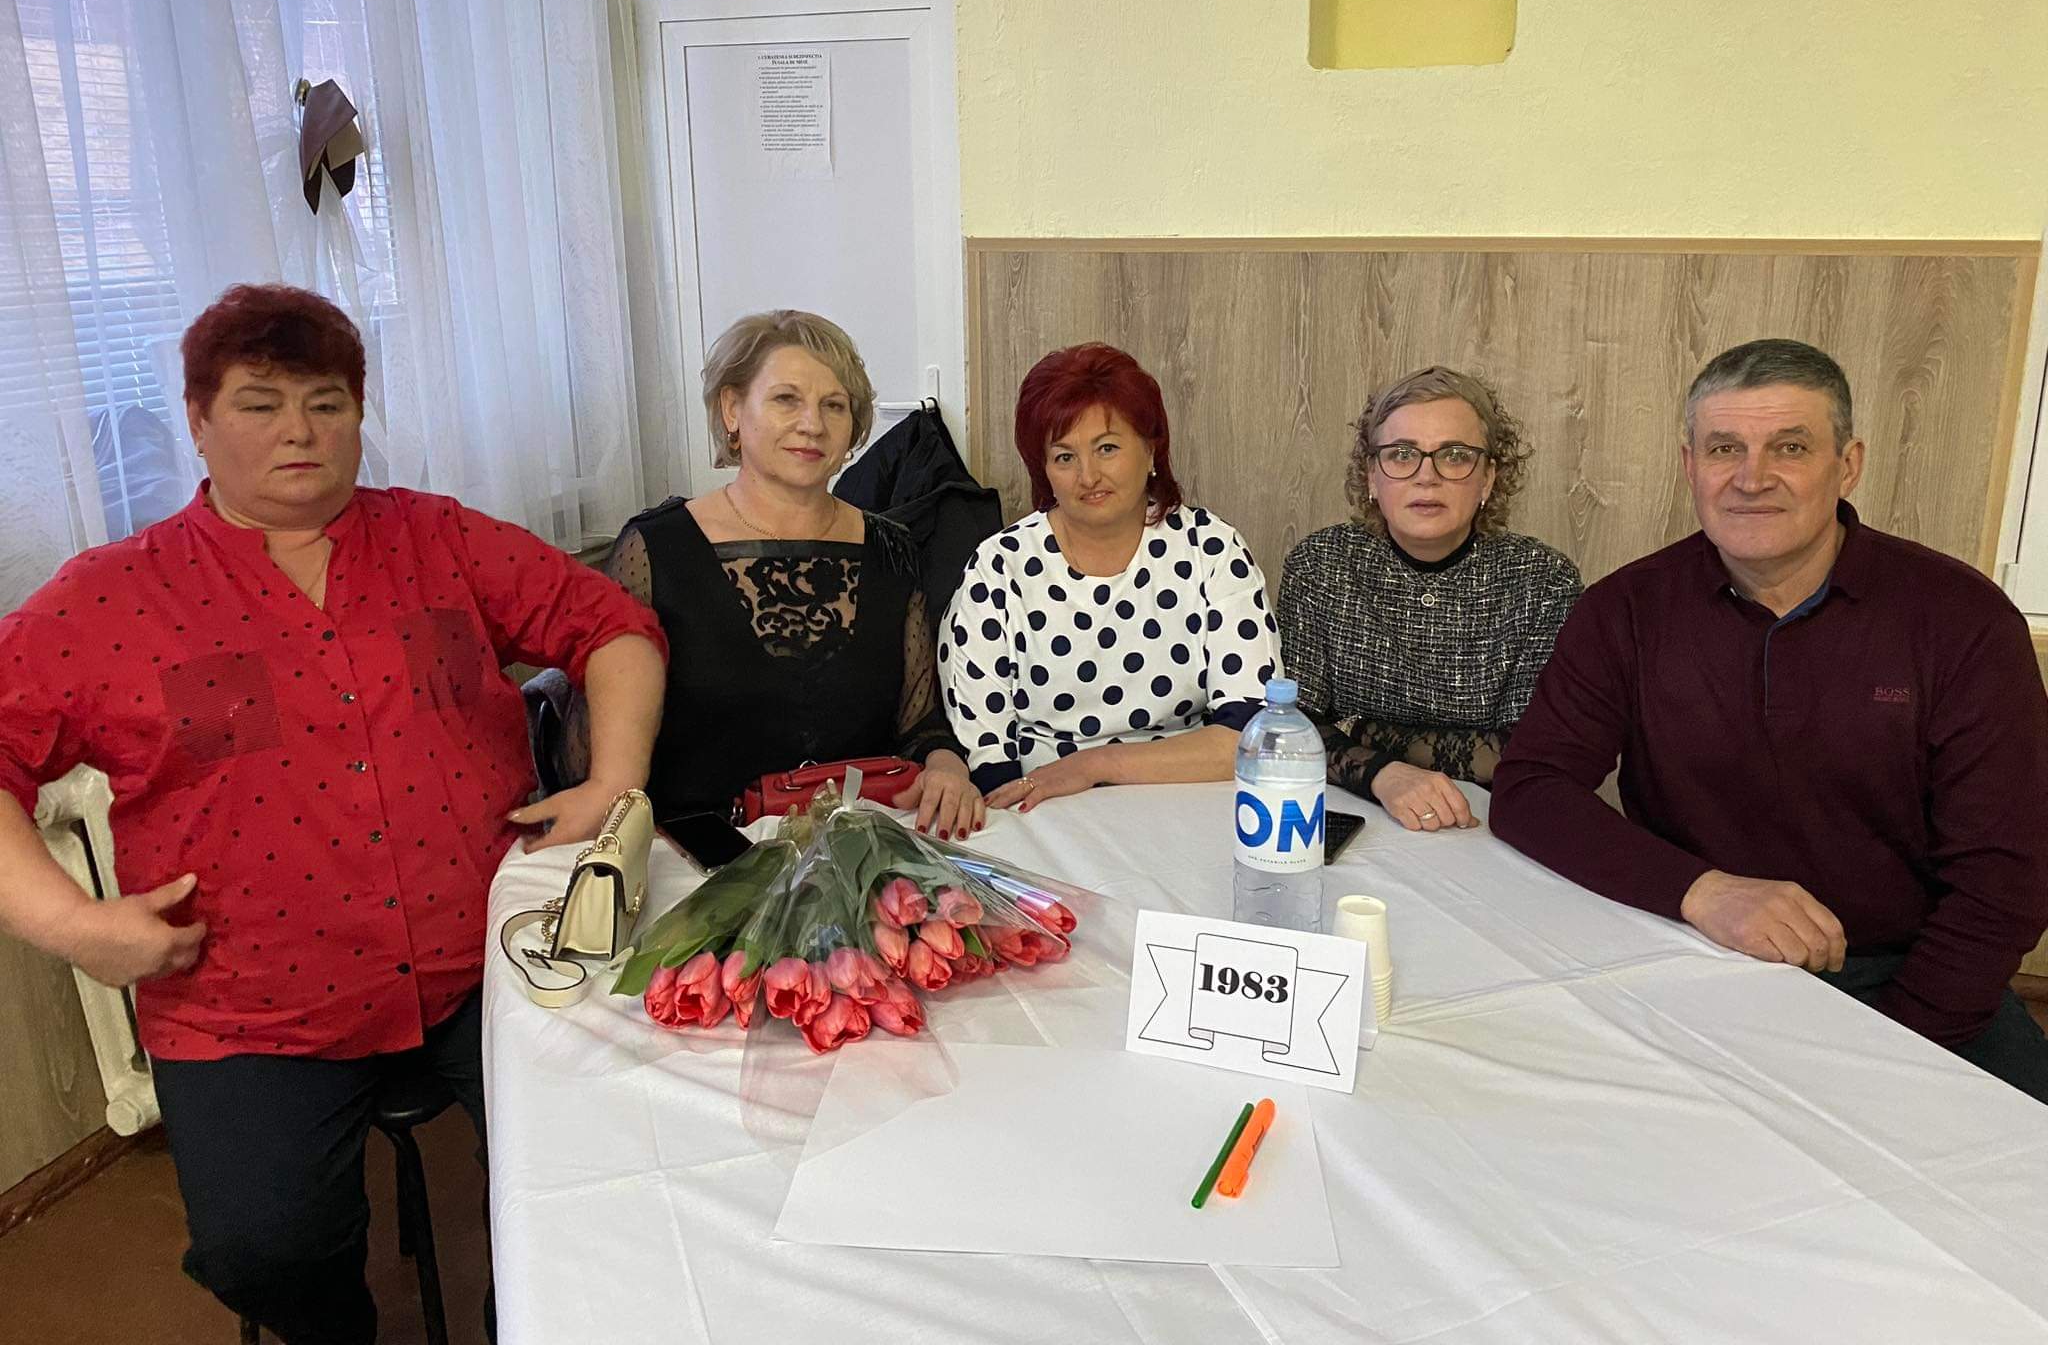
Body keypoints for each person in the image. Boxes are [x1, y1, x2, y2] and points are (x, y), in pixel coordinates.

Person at [0, 284, 669, 1344]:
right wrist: (74, 926)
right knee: (262, 1250)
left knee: (621, 1165)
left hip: (490, 961)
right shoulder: (111, 597)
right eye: (260, 404)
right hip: (249, 1005)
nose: (300, 432)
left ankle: (526, 1317)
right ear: (197, 421)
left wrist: (612, 781)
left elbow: (612, 624)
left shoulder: (441, 539)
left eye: (327, 403)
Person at [1492, 338, 2048, 1102]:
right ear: (1690, 465)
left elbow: (2006, 879)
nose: (1752, 478)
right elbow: (1531, 789)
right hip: (1691, 953)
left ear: (1847, 465)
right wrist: (1702, 891)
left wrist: (1892, 1052)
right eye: (1725, 448)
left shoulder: (1963, 621)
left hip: (1911, 980)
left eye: (1790, 447)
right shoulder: (1626, 609)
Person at [605, 310, 984, 836]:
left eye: (834, 405)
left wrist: (947, 766)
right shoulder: (655, 550)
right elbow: (603, 751)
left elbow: (918, 724)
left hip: (859, 847)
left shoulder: (892, 550)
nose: (813, 424)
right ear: (732, 409)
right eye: (786, 399)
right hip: (700, 856)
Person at [941, 343, 1281, 811]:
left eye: (1107, 448)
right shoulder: (999, 567)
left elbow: (1252, 735)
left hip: (1189, 804)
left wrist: (1095, 765)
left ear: (1150, 449)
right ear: (1044, 469)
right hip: (1041, 814)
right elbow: (987, 760)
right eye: (1064, 457)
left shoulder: (1211, 549)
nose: (1088, 476)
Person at [1277, 367, 1580, 832]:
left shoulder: (1542, 581)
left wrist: (1354, 731)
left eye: (1455, 456)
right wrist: (1383, 774)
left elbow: (1527, 752)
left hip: (1484, 825)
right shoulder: (1322, 564)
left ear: (1488, 478)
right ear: (1372, 476)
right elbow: (1291, 726)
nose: (1427, 476)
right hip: (1344, 811)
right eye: (1401, 454)